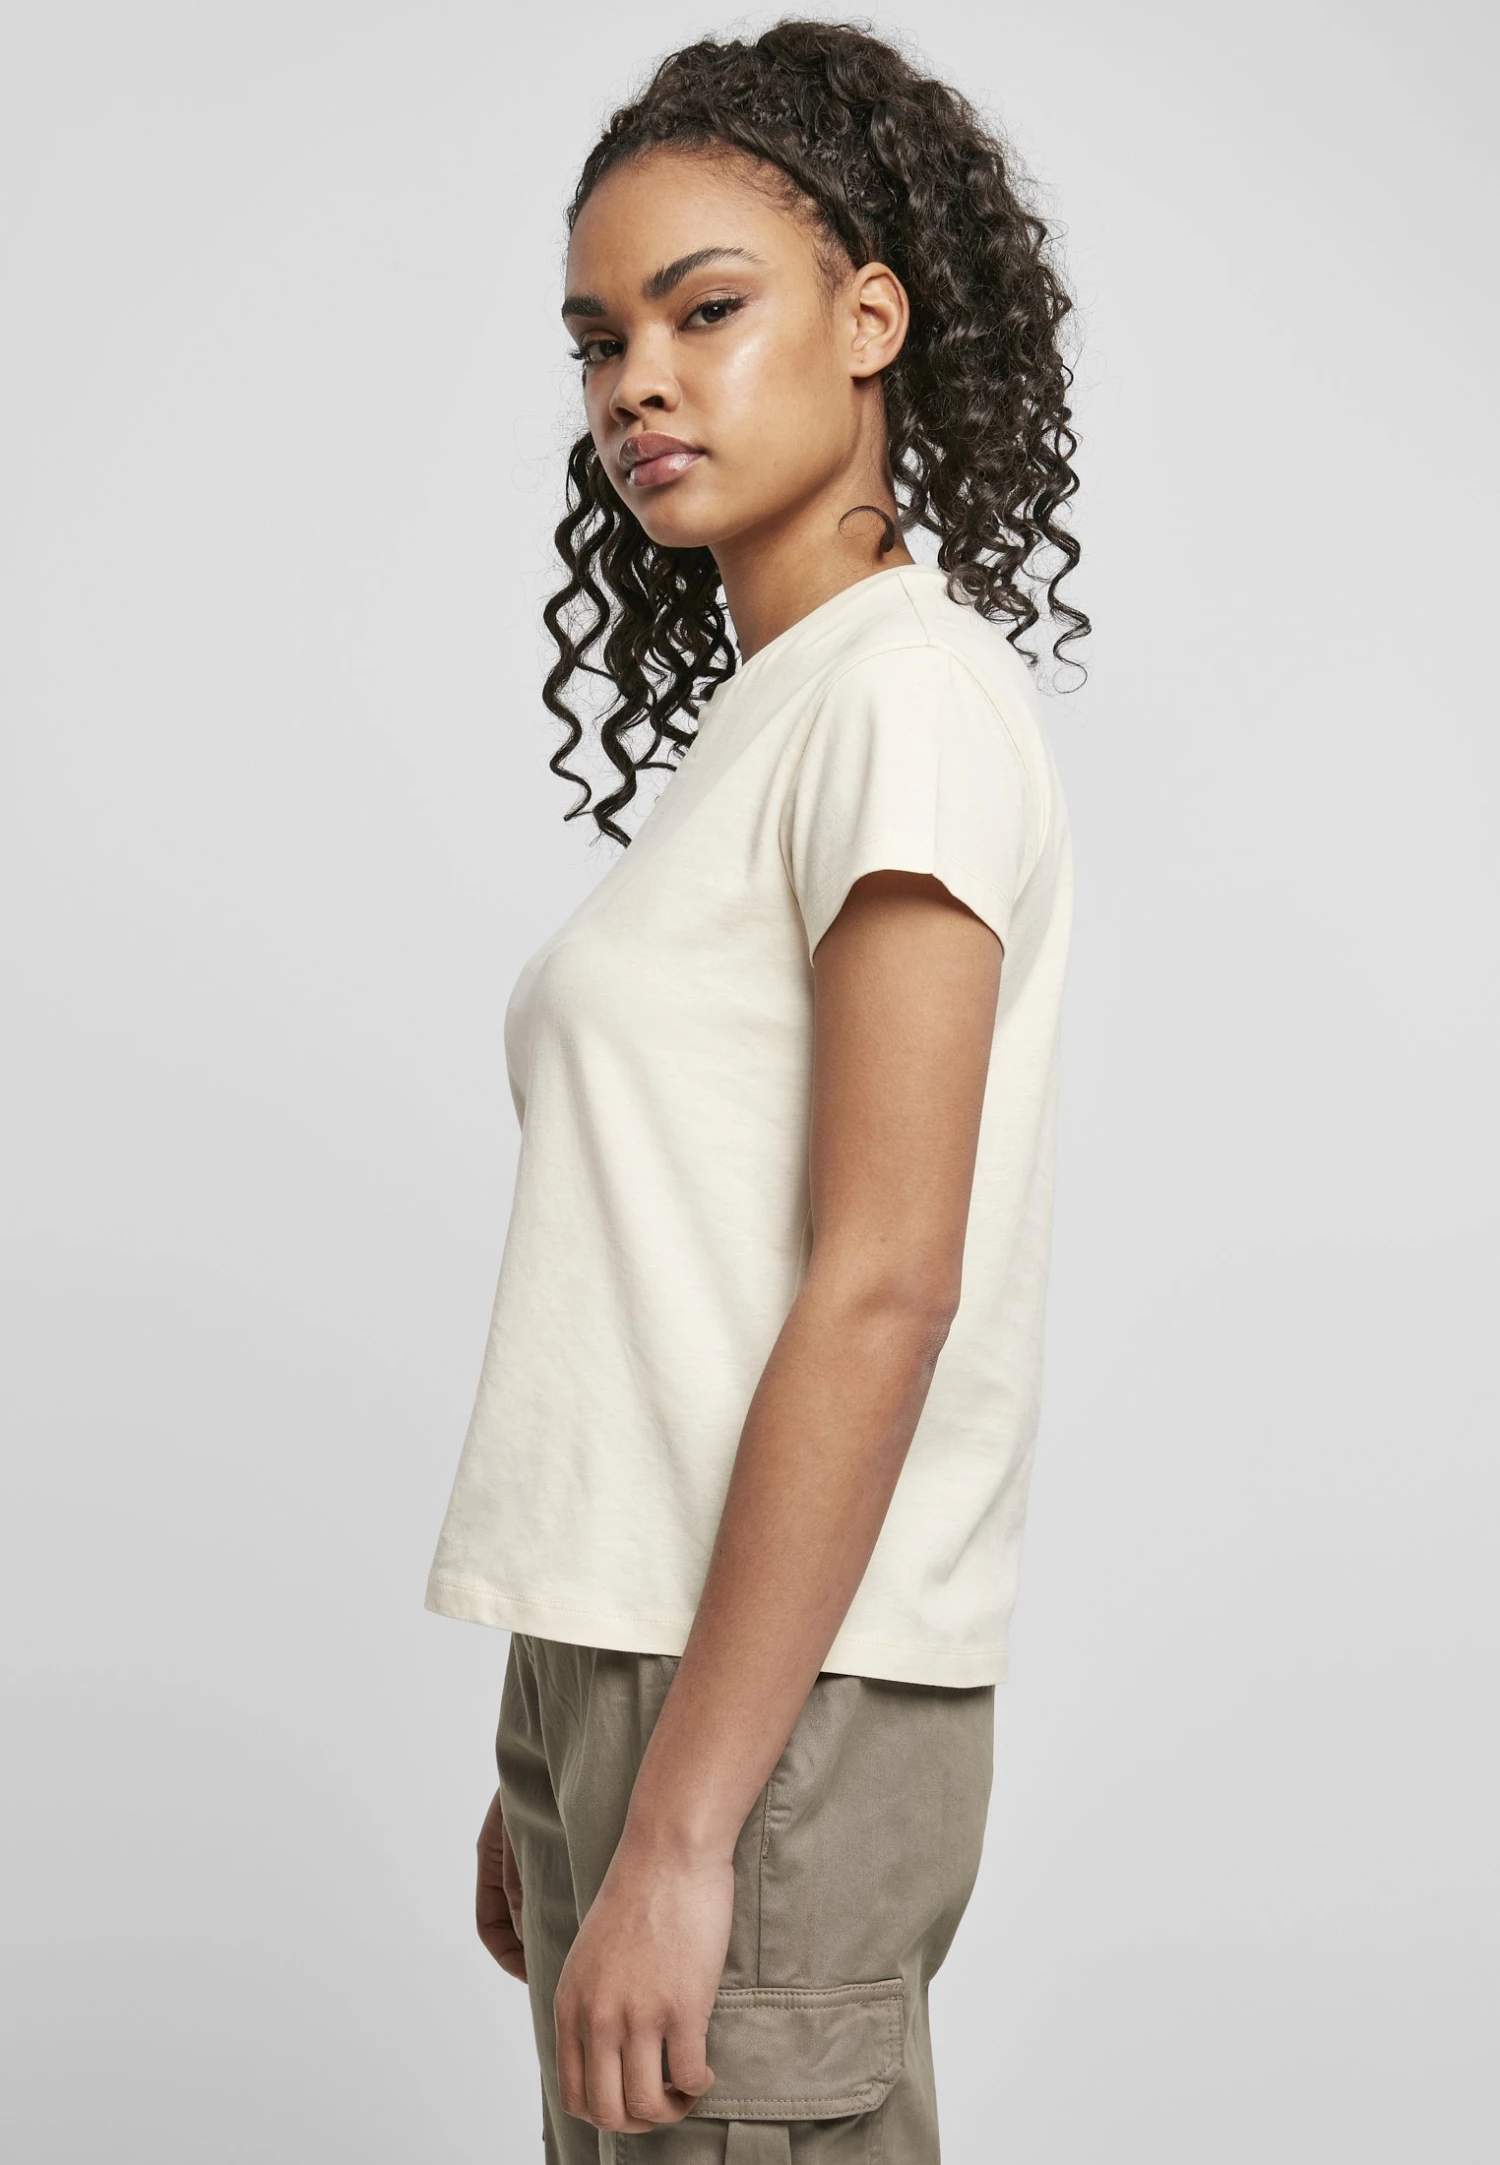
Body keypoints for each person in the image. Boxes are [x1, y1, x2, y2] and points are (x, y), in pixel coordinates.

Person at [424, 19, 1088, 2161]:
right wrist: (560, 1737)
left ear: (872, 317)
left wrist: (687, 1819)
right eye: (599, 338)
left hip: (770, 1712)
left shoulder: (906, 702)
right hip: (652, 1665)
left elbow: (885, 1284)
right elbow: (672, 1267)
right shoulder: (787, 714)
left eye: (705, 311)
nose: (638, 380)